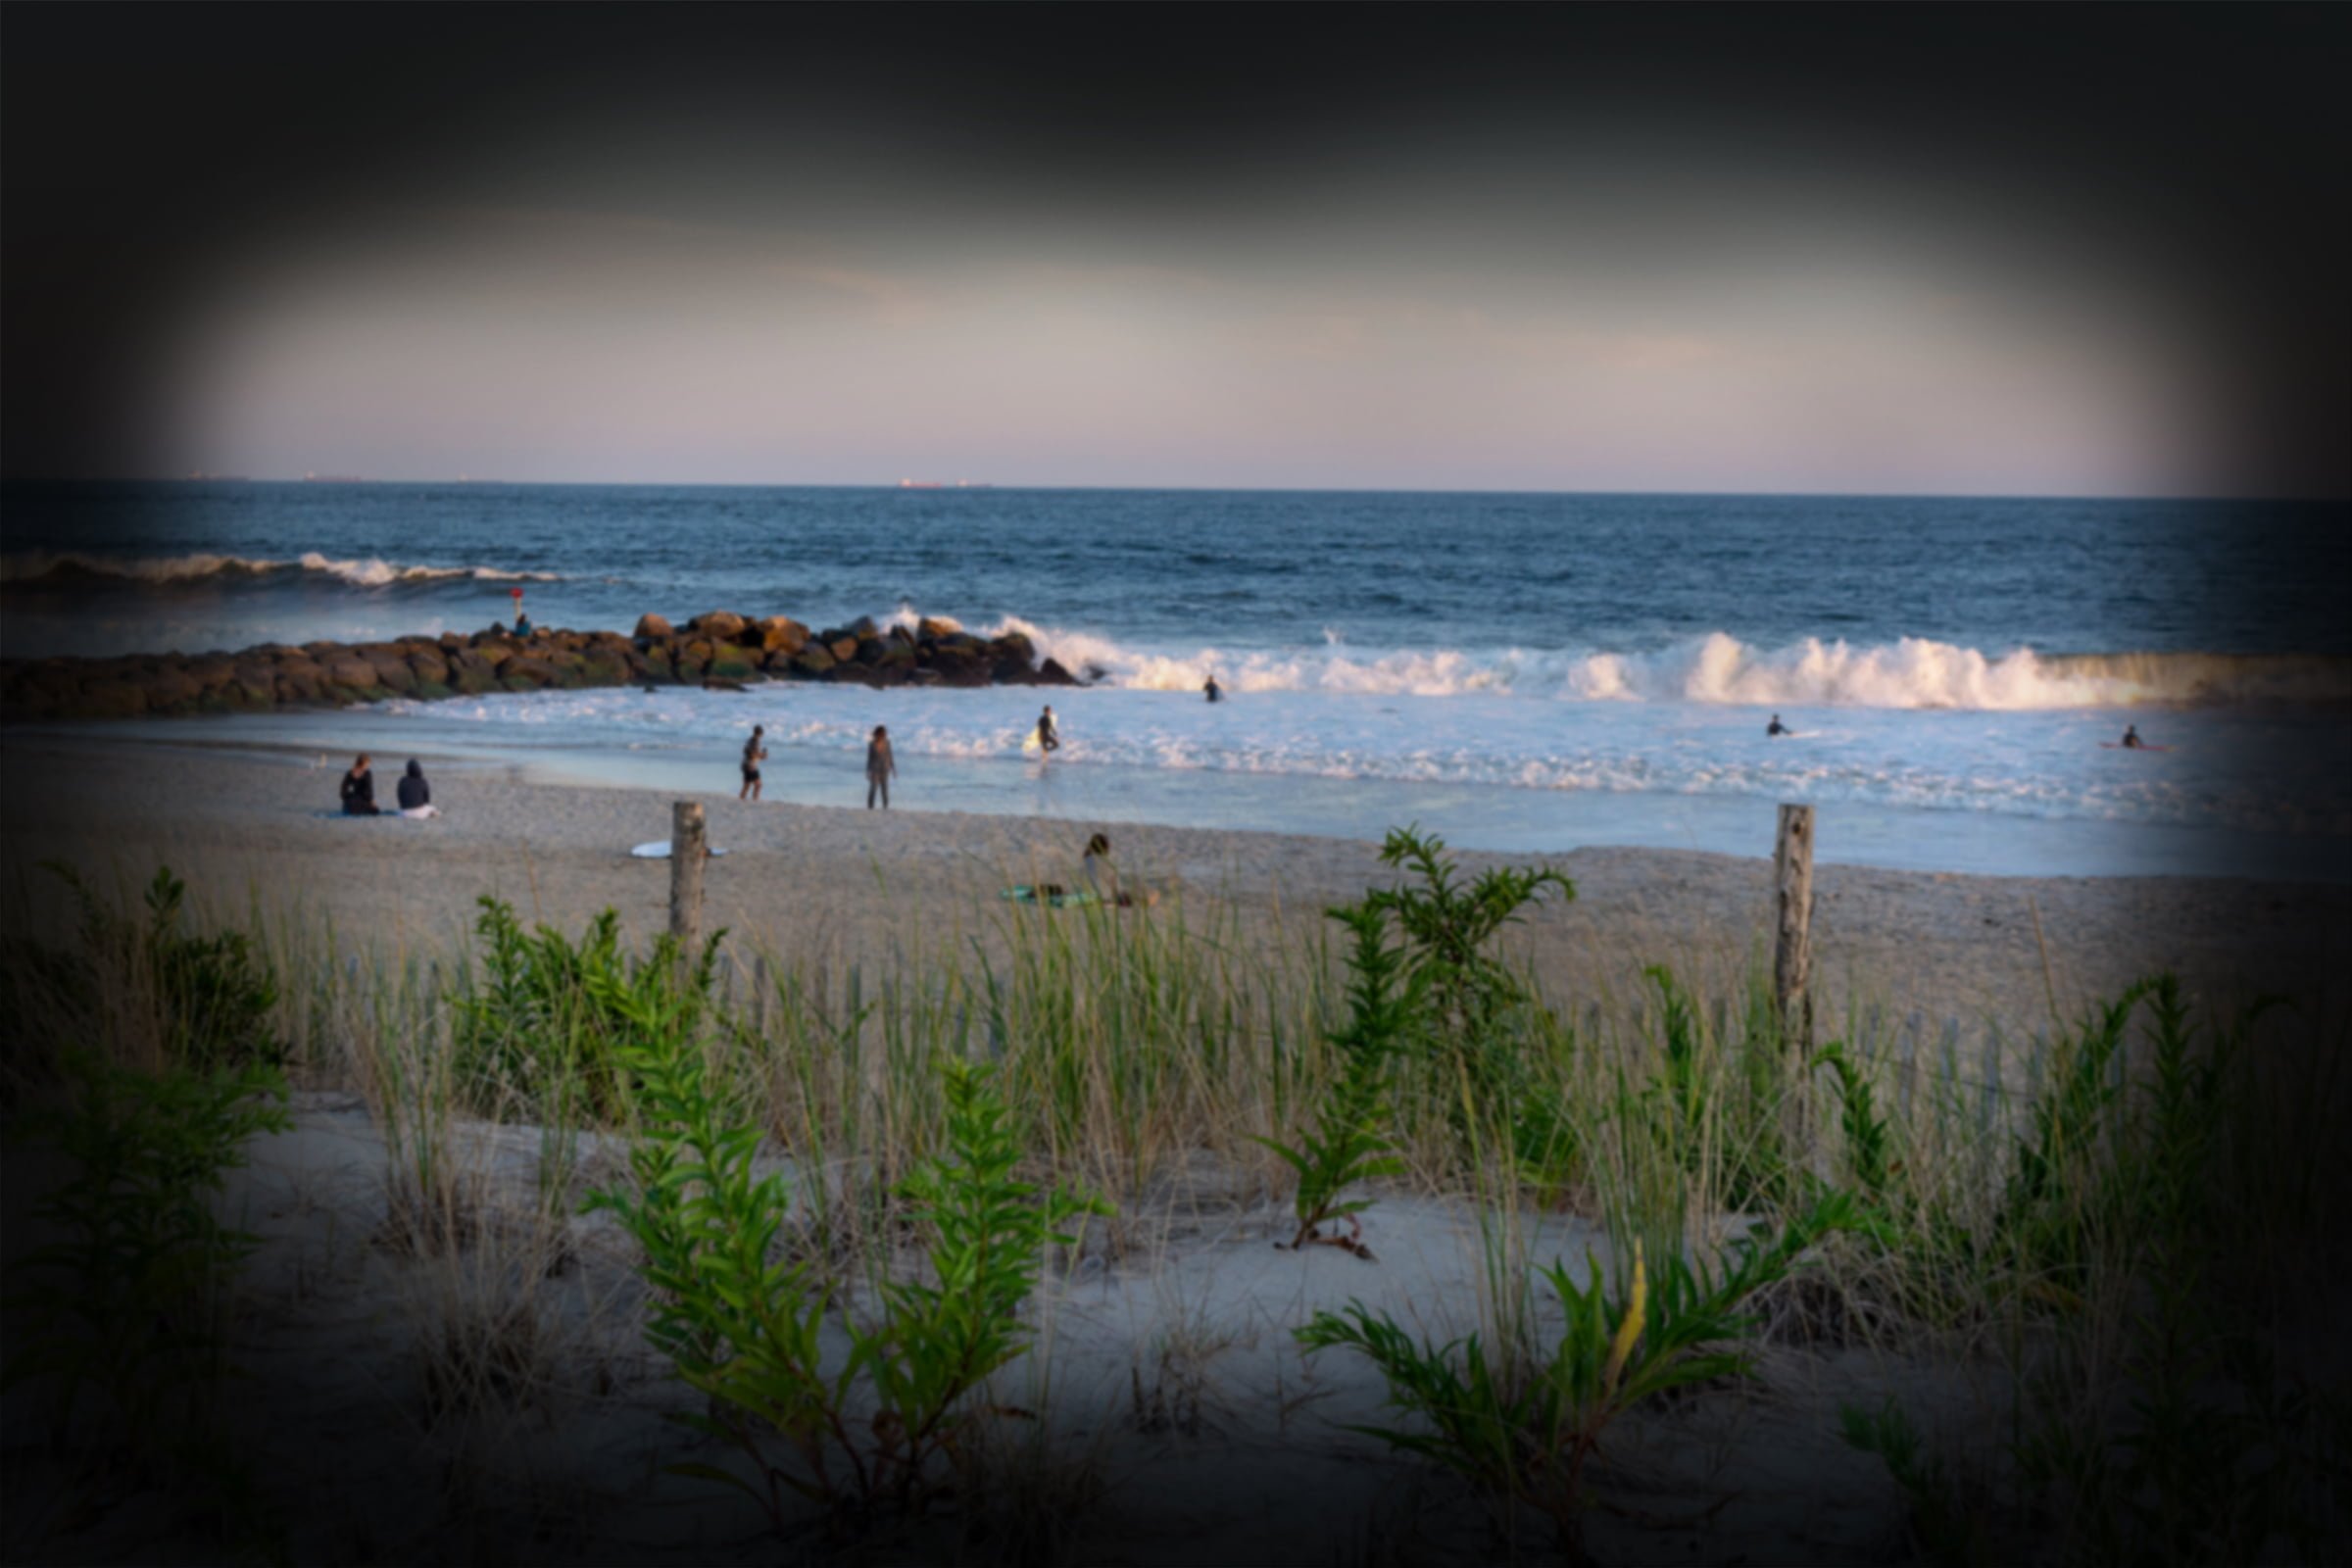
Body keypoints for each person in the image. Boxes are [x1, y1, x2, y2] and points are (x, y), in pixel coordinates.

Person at [865, 724, 896, 808]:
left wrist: (893, 769)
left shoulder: (887, 743)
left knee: (884, 791)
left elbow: (890, 756)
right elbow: (870, 758)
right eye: (883, 734)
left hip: (885, 769)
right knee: (873, 789)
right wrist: (868, 771)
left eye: (884, 734)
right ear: (878, 734)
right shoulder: (871, 744)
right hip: (875, 770)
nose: (884, 735)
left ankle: (885, 808)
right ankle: (870, 807)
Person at [740, 725, 767, 801]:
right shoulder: (754, 742)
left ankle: (742, 800)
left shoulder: (750, 741)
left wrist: (761, 755)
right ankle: (755, 800)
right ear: (760, 733)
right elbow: (752, 754)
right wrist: (762, 755)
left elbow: (748, 752)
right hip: (750, 766)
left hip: (747, 765)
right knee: (758, 785)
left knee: (747, 786)